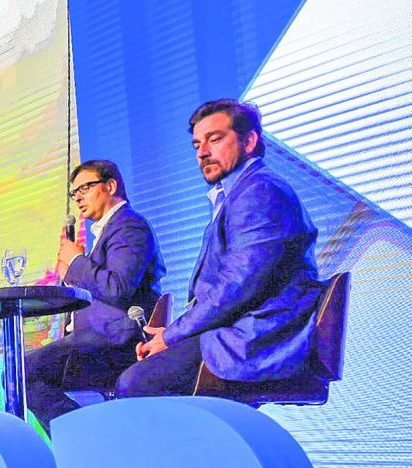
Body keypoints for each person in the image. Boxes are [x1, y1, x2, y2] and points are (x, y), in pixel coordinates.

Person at [117, 99, 321, 397]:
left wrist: (172, 336)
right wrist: (174, 334)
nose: (202, 152)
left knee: (135, 383)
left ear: (249, 141)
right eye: (197, 144)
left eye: (214, 139)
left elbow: (238, 286)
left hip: (258, 338)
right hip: (235, 329)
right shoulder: (239, 192)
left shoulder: (259, 191)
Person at [24, 160, 165, 433]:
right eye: (74, 192)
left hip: (117, 342)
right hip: (97, 340)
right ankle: (86, 437)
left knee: (23, 372)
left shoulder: (129, 227)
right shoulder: (108, 232)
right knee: (22, 371)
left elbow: (118, 287)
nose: (78, 197)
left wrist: (77, 261)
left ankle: (85, 438)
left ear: (110, 186)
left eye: (85, 188)